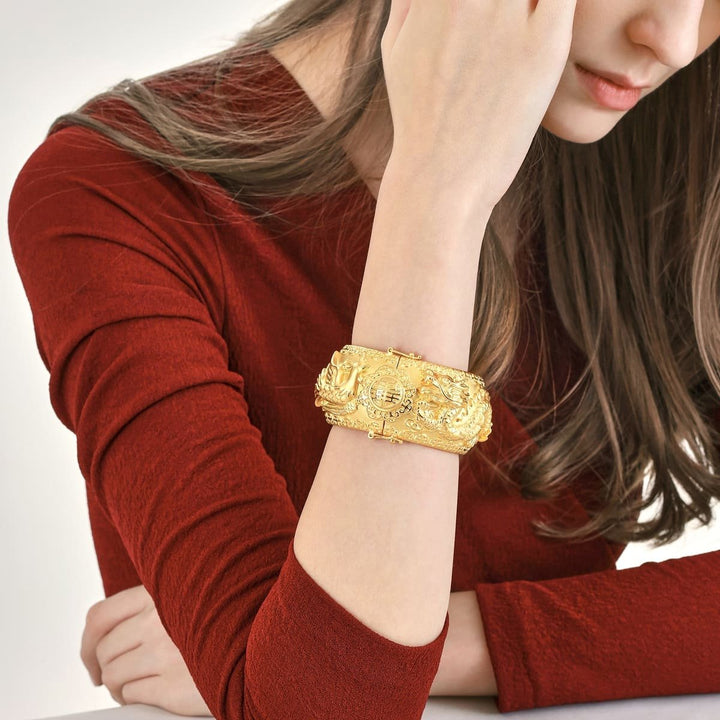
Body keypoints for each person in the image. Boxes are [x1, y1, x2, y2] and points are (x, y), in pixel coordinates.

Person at [8, 0, 720, 717]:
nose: (675, 41)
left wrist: (456, 643)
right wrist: (438, 189)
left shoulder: (674, 143)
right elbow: (320, 707)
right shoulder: (117, 192)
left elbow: (314, 678)